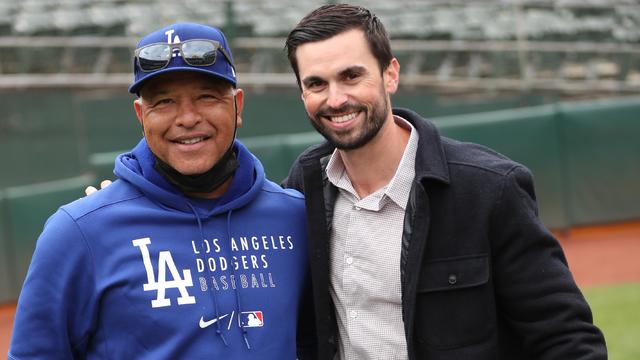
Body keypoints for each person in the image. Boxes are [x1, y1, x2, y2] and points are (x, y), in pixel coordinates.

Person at [282, 4, 607, 360]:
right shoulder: (305, 184)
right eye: (316, 83)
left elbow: (567, 339)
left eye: (351, 76)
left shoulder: (490, 189)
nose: (336, 99)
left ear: (390, 74)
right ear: (302, 93)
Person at [9, 23, 309, 359]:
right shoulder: (80, 232)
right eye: (164, 102)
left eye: (206, 96)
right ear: (141, 115)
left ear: (238, 105)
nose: (187, 118)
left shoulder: (295, 217)